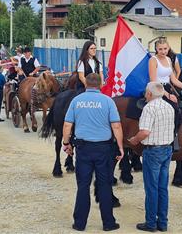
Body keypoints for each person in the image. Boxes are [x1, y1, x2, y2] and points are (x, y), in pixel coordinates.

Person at [62, 73, 124, 232]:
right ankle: (108, 223)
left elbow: (67, 125)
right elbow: (116, 126)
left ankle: (79, 223)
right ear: (101, 84)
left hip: (83, 149)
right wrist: (120, 147)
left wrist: (66, 143)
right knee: (104, 185)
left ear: (86, 84)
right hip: (104, 149)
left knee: (83, 186)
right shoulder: (108, 101)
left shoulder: (76, 101)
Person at [129, 82, 174, 232]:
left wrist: (134, 140)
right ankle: (163, 222)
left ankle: (150, 223)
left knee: (151, 188)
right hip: (167, 148)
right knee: (163, 188)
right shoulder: (169, 106)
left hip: (153, 150)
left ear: (149, 94)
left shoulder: (149, 108)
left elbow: (145, 132)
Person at [149, 38, 182, 104]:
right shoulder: (153, 60)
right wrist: (168, 95)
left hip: (167, 88)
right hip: (156, 89)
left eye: (165, 48)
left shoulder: (168, 59)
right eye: (160, 49)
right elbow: (153, 82)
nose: (163, 51)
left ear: (168, 48)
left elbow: (174, 80)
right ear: (156, 49)